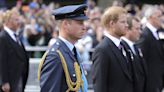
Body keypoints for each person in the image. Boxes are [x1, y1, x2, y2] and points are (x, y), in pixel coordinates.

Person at [39, 4, 88, 92]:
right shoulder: (55, 56)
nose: (84, 27)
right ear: (65, 24)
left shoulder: (71, 51)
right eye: (80, 23)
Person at [92, 6, 135, 92]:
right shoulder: (102, 50)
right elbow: (100, 85)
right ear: (112, 24)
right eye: (123, 22)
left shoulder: (124, 46)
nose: (127, 25)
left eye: (126, 22)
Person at [0, 8, 29, 92]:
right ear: (7, 21)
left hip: (19, 78)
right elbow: (2, 61)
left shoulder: (16, 36)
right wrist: (4, 81)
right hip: (11, 80)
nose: (19, 22)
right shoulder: (3, 37)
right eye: (16, 20)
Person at [136, 6, 164, 92]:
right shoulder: (145, 35)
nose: (162, 18)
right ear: (151, 18)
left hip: (158, 80)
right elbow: (140, 60)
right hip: (150, 82)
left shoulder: (158, 32)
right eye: (159, 16)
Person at [121, 15, 147, 92]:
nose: (140, 32)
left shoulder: (135, 47)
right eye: (137, 29)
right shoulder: (122, 48)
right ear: (127, 30)